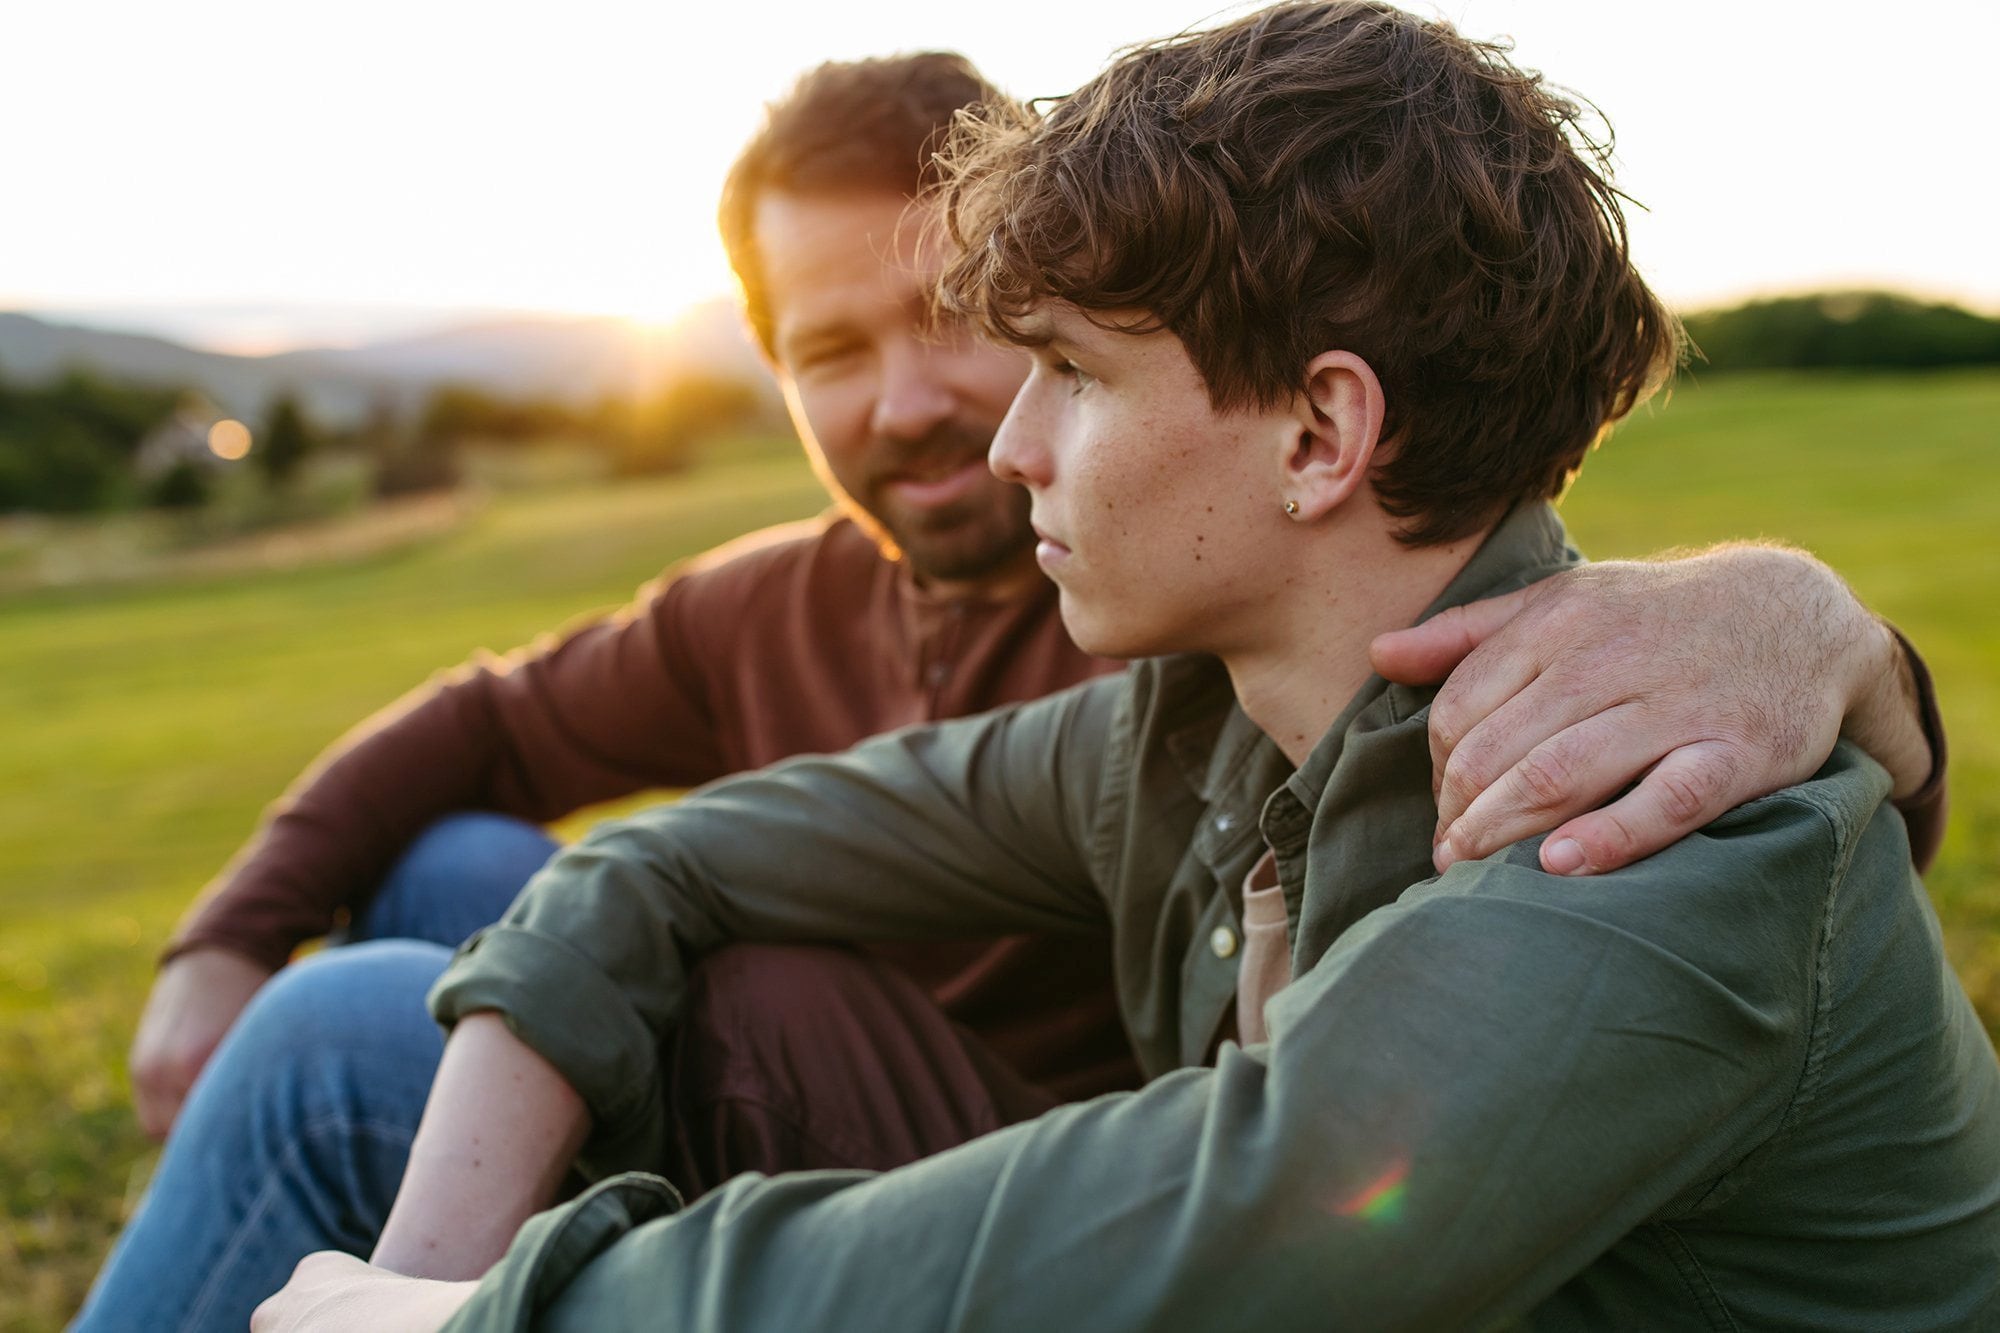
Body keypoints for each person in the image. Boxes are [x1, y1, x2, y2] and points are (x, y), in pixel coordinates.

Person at [251, 6, 1999, 1330]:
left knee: (343, 1037)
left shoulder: (1645, 823)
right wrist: (412, 1282)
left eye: (1071, 373)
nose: (1013, 443)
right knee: (720, 984)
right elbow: (675, 848)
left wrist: (483, 1317)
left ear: (1321, 432)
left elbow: (1248, 1217)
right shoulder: (1185, 726)